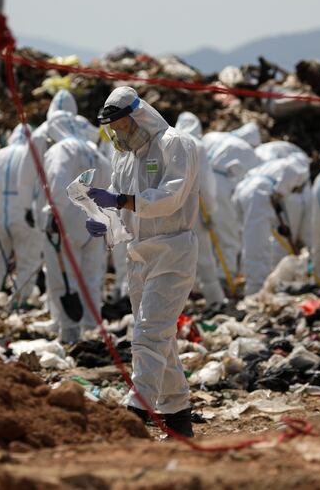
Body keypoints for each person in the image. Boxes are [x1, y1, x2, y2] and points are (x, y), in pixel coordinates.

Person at [88, 86, 199, 437]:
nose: (119, 134)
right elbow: (122, 209)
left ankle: (135, 414)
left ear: (139, 116)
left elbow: (170, 198)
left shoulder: (175, 144)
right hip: (138, 254)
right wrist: (103, 222)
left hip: (173, 250)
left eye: (123, 125)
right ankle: (178, 415)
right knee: (159, 338)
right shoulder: (122, 156)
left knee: (149, 333)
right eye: (113, 129)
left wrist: (120, 200)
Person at [40, 110, 111, 343]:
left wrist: (52, 212)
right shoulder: (93, 149)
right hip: (94, 220)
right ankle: (92, 328)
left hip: (68, 220)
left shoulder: (61, 150)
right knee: (91, 276)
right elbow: (109, 182)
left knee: (64, 277)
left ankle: (70, 332)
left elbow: (59, 184)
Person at [0, 124, 44, 306]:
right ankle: (17, 302)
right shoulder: (30, 155)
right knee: (27, 262)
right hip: (23, 214)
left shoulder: (0, 154)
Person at [232, 156, 310, 295]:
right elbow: (291, 172)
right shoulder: (300, 164)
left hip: (243, 188)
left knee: (250, 240)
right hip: (259, 192)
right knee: (257, 245)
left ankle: (255, 281)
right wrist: (281, 192)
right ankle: (255, 291)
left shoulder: (274, 164)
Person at [175, 112, 225, 310]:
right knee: (203, 253)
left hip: (169, 204)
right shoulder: (197, 145)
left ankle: (177, 304)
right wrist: (211, 210)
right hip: (194, 204)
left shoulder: (167, 142)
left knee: (173, 253)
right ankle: (215, 299)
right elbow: (205, 180)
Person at [200, 127, 259, 277]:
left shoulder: (212, 136)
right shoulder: (246, 149)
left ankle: (202, 279)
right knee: (228, 232)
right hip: (222, 184)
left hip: (199, 180)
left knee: (202, 230)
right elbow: (251, 183)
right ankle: (226, 276)